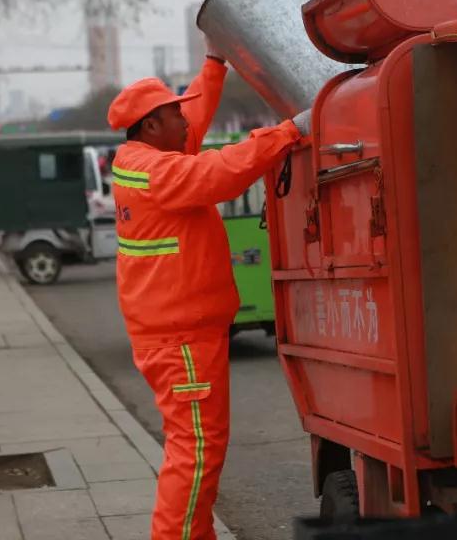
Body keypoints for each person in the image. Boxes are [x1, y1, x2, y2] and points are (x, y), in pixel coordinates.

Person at [107, 41, 311, 540]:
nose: (187, 123)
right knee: (195, 451)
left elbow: (193, 119)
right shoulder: (157, 172)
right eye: (174, 115)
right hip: (181, 342)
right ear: (152, 125)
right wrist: (287, 133)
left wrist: (214, 64)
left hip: (182, 335)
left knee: (198, 448)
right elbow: (217, 173)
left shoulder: (148, 156)